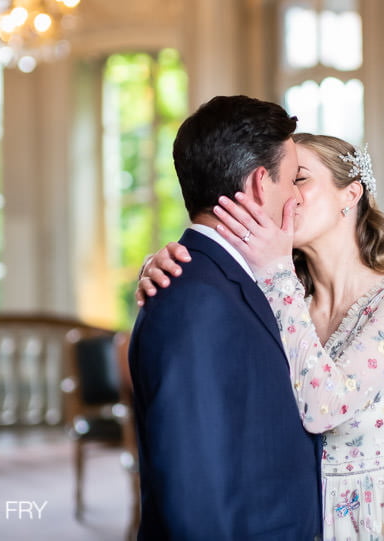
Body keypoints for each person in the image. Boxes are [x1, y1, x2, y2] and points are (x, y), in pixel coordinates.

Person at [139, 132, 384, 540]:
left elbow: (324, 408)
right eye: (282, 182)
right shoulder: (278, 296)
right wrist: (167, 268)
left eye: (300, 179)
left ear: (350, 194)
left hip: (374, 523)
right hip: (286, 521)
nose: (289, 197)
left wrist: (278, 271)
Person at [128, 95, 322, 540]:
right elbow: (193, 490)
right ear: (259, 184)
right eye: (293, 179)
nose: (295, 196)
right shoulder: (196, 302)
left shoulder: (234, 280)